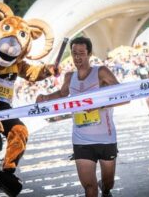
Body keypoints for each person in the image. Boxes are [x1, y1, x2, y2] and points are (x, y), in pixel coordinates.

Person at [36, 36, 123, 197]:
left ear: (89, 54)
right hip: (81, 139)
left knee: (108, 184)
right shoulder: (70, 77)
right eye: (74, 53)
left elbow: (123, 96)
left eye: (81, 53)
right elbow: (62, 94)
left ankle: (106, 190)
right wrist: (45, 98)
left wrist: (99, 105)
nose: (77, 57)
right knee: (89, 187)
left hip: (106, 138)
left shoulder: (101, 72)